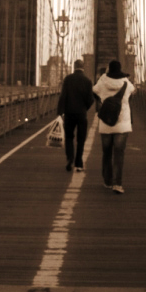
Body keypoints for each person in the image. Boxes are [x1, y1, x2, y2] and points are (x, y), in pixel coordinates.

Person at [93, 59, 136, 194]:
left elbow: (94, 91)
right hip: (122, 124)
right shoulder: (126, 82)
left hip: (106, 122)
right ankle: (117, 184)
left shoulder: (102, 80)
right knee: (119, 154)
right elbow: (134, 91)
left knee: (106, 153)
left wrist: (101, 100)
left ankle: (107, 180)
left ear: (109, 69)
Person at [57, 59, 94, 172]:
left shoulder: (68, 79)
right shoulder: (87, 81)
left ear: (74, 66)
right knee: (81, 139)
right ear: (83, 67)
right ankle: (78, 164)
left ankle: (70, 158)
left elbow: (63, 96)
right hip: (81, 114)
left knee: (69, 137)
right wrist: (84, 108)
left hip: (69, 114)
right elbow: (91, 99)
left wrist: (59, 113)